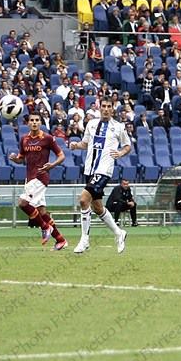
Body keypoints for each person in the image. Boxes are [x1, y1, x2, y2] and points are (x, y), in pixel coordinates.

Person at [69, 97, 130, 254]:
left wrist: (121, 152)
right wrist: (76, 145)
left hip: (104, 170)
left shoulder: (118, 127)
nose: (106, 109)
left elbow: (127, 145)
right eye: (103, 106)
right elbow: (86, 143)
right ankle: (119, 232)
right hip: (89, 169)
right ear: (99, 107)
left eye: (109, 106)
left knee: (83, 200)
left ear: (112, 109)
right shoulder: (91, 124)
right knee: (97, 207)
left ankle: (84, 240)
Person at [8, 112, 67, 250]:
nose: (34, 122)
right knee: (42, 212)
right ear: (28, 123)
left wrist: (52, 165)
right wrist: (14, 158)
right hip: (29, 178)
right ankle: (60, 240)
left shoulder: (47, 138)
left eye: (37, 120)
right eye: (32, 120)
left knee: (23, 203)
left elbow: (61, 155)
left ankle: (45, 227)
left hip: (40, 177)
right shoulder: (24, 139)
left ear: (40, 122)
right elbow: (21, 158)